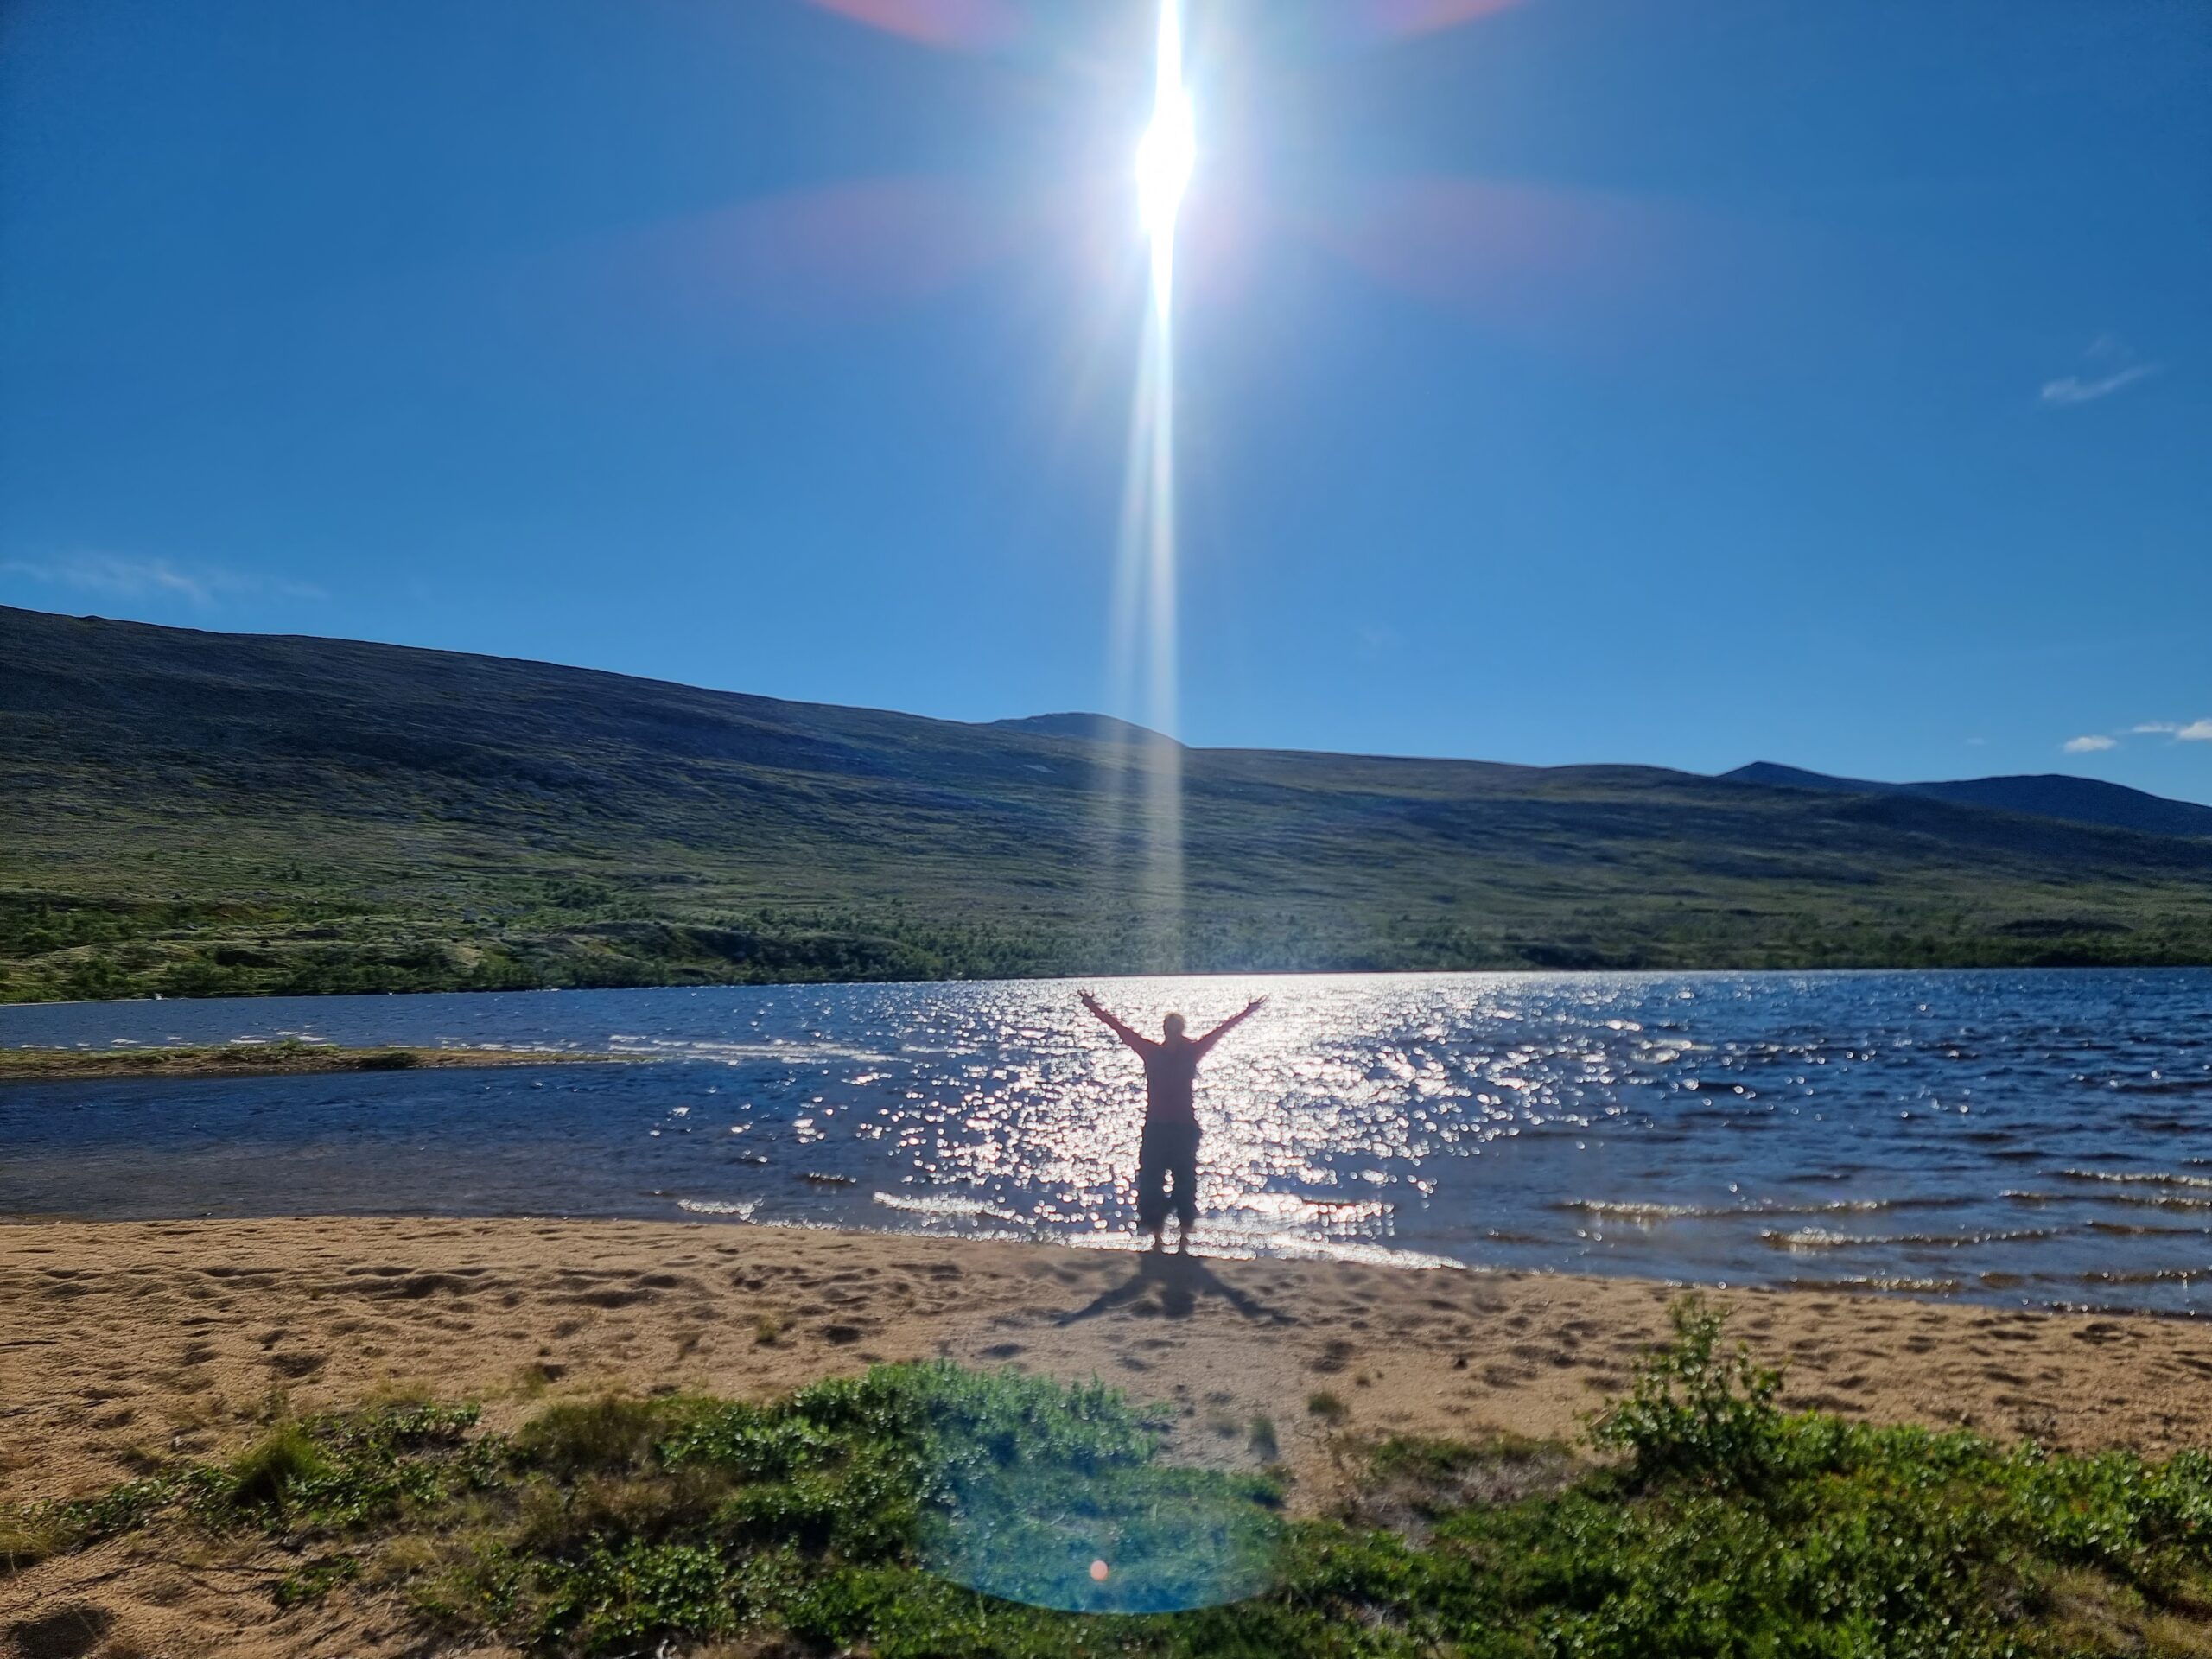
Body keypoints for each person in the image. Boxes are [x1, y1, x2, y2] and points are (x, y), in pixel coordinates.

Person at [1078, 989, 1268, 1251]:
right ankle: (1157, 1238)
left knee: (1185, 1184)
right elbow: (1120, 1029)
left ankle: (1183, 1240)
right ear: (1165, 1030)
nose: (1173, 1033)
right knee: (1152, 1184)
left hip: (1183, 1129)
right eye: (1169, 1028)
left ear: (1181, 1030)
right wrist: (1093, 1007)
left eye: (1176, 1028)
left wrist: (1247, 1012)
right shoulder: (1151, 1052)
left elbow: (1220, 1032)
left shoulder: (1192, 1052)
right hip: (1156, 1128)